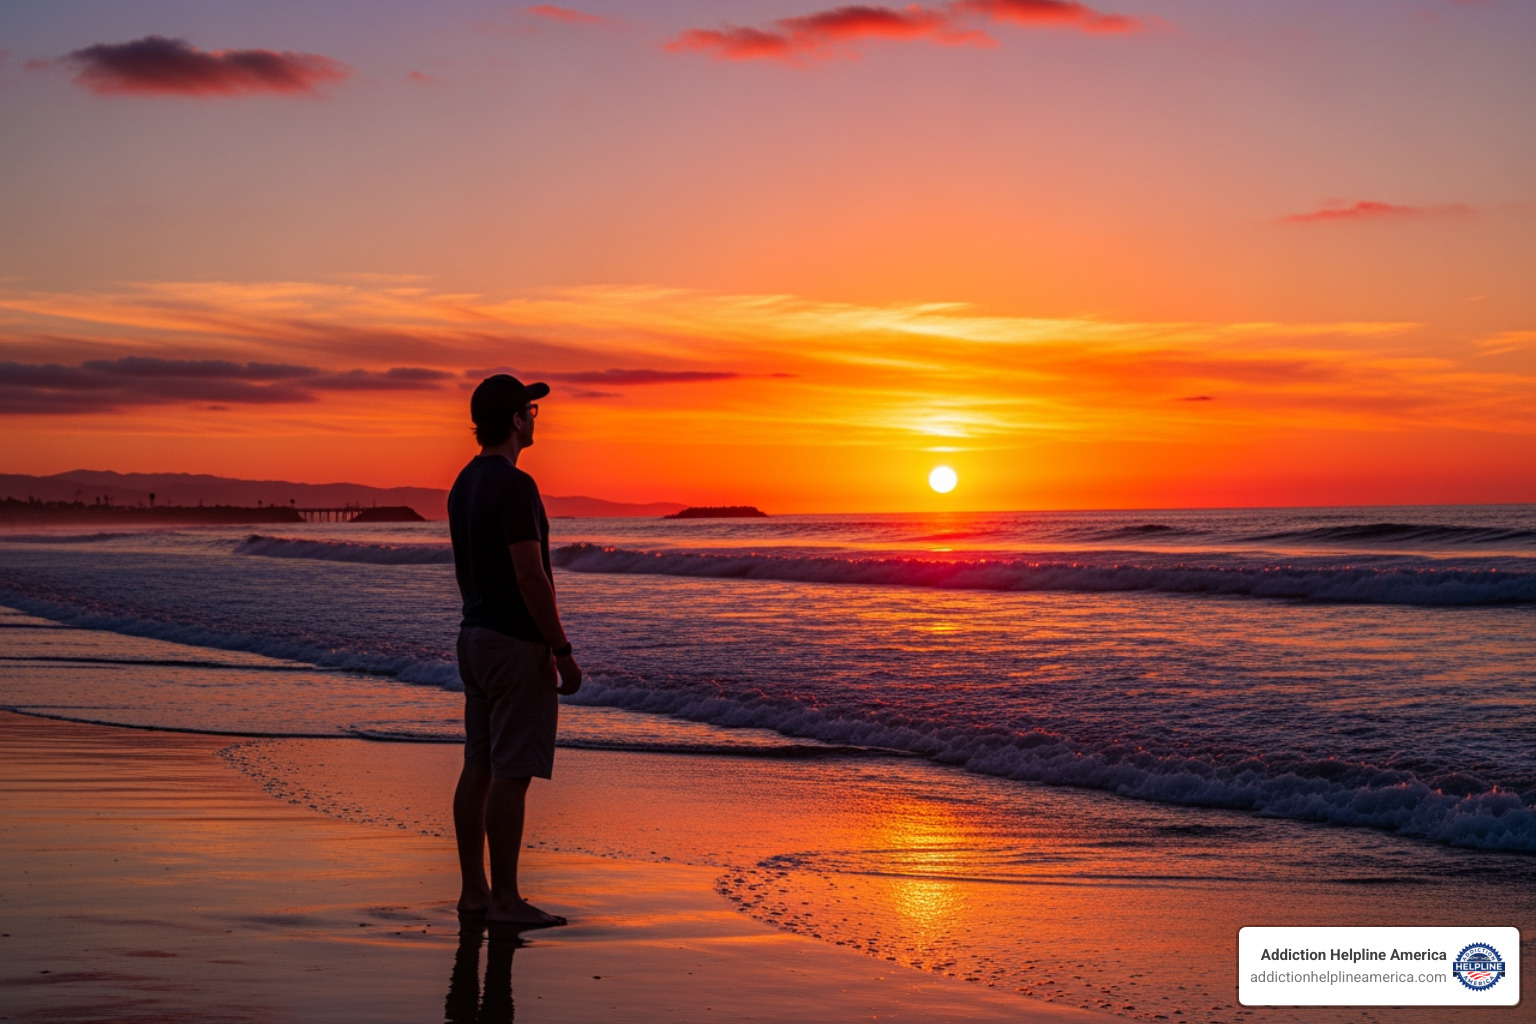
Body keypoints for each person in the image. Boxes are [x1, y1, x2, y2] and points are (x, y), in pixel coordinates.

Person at [448, 374, 582, 929]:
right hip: (512, 644)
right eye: (530, 408)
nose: (536, 416)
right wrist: (561, 649)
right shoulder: (515, 486)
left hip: (474, 637)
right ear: (515, 420)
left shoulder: (463, 483)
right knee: (512, 772)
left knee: (478, 765)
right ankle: (505, 899)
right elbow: (531, 577)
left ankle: (475, 893)